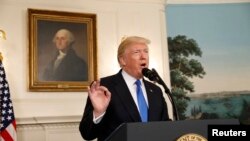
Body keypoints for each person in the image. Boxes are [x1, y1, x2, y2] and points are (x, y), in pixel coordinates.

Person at [79, 36, 171, 141]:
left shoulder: (155, 90)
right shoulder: (103, 87)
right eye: (137, 52)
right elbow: (87, 134)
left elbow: (165, 127)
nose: (143, 56)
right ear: (122, 60)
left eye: (146, 51)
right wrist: (98, 112)